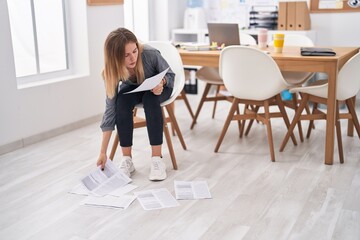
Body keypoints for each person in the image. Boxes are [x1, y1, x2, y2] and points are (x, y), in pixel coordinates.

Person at [96, 28, 175, 181]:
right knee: (121, 101)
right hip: (135, 88)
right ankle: (127, 160)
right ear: (115, 58)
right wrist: (102, 152)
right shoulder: (111, 71)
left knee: (150, 99)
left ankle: (157, 159)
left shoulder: (150, 54)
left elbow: (171, 75)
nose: (132, 58)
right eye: (126, 55)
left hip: (159, 87)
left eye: (134, 51)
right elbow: (110, 110)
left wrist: (162, 82)